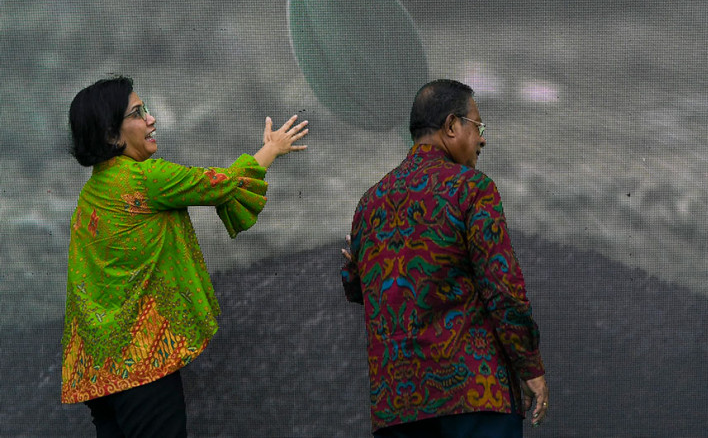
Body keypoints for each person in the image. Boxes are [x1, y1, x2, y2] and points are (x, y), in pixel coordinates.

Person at [61, 76, 309, 437]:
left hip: (100, 377)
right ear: (112, 136)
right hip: (142, 368)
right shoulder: (146, 179)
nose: (151, 119)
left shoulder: (90, 197)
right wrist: (270, 149)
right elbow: (222, 183)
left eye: (145, 109)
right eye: (137, 113)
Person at [342, 79, 548, 437]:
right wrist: (529, 366)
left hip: (397, 406)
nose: (482, 139)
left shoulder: (370, 203)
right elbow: (502, 289)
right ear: (452, 126)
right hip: (473, 399)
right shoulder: (472, 188)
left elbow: (359, 287)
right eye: (477, 127)